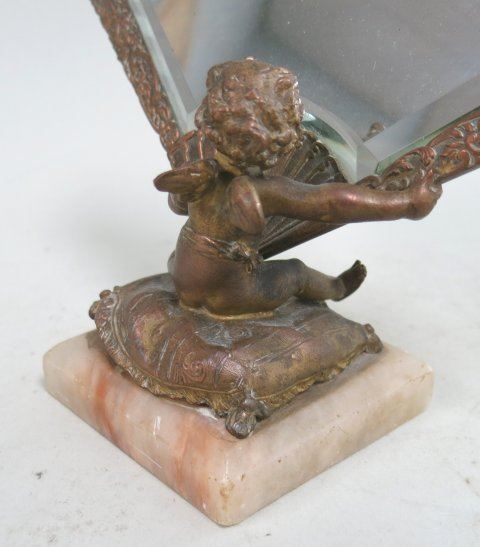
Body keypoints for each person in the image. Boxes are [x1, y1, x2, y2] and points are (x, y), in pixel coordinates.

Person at [154, 59, 442, 316]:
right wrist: (407, 204)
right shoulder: (260, 191)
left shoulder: (201, 172)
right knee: (295, 273)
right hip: (229, 295)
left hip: (182, 274)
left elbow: (177, 206)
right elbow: (331, 203)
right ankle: (337, 288)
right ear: (276, 135)